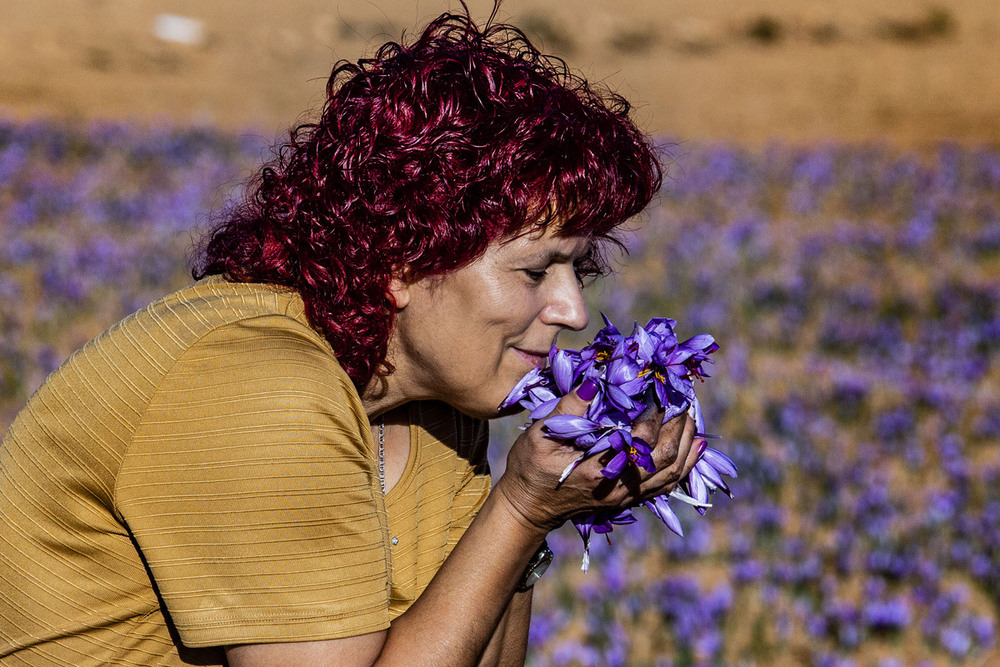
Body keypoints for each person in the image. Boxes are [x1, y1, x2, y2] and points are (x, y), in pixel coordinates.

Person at [0, 11, 700, 667]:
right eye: (535, 269)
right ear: (404, 258)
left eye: (578, 269)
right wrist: (520, 508)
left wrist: (532, 514)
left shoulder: (438, 409)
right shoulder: (257, 384)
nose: (575, 310)